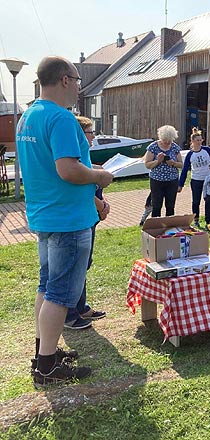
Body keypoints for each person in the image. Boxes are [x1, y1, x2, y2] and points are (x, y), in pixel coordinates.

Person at [17, 56, 113, 387]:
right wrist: (100, 175)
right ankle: (46, 366)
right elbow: (68, 169)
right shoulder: (61, 119)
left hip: (46, 216)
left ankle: (46, 351)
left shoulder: (27, 116)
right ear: (63, 80)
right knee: (59, 294)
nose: (79, 86)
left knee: (47, 287)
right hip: (69, 220)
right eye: (77, 79)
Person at [64, 116, 109, 330]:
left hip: (90, 215)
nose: (93, 136)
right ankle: (71, 314)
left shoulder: (84, 155)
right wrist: (100, 204)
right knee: (76, 265)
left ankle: (81, 306)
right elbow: (80, 186)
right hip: (81, 215)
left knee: (84, 263)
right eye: (91, 132)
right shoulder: (74, 158)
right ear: (81, 134)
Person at [178, 128, 210, 227]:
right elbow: (185, 169)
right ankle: (196, 219)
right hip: (196, 180)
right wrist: (180, 184)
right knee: (196, 201)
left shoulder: (207, 150)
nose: (199, 142)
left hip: (208, 179)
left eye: (200, 140)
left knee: (209, 200)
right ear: (192, 141)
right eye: (197, 140)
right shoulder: (190, 154)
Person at [144, 125, 183, 218]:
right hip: (157, 181)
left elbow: (181, 164)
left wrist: (173, 163)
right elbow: (147, 164)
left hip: (172, 181)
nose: (167, 142)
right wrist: (158, 161)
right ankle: (156, 228)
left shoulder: (175, 147)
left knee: (170, 206)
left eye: (169, 140)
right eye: (165, 140)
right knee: (157, 205)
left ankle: (169, 228)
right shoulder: (153, 147)